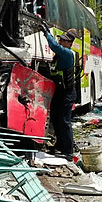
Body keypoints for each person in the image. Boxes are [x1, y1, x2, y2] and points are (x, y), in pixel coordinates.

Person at [40, 25, 77, 157]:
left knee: (64, 121)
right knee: (56, 119)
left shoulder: (67, 54)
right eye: (60, 40)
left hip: (66, 94)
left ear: (70, 43)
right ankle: (60, 145)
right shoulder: (60, 56)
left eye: (63, 40)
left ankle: (68, 150)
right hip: (60, 93)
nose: (60, 42)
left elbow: (54, 46)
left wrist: (46, 33)